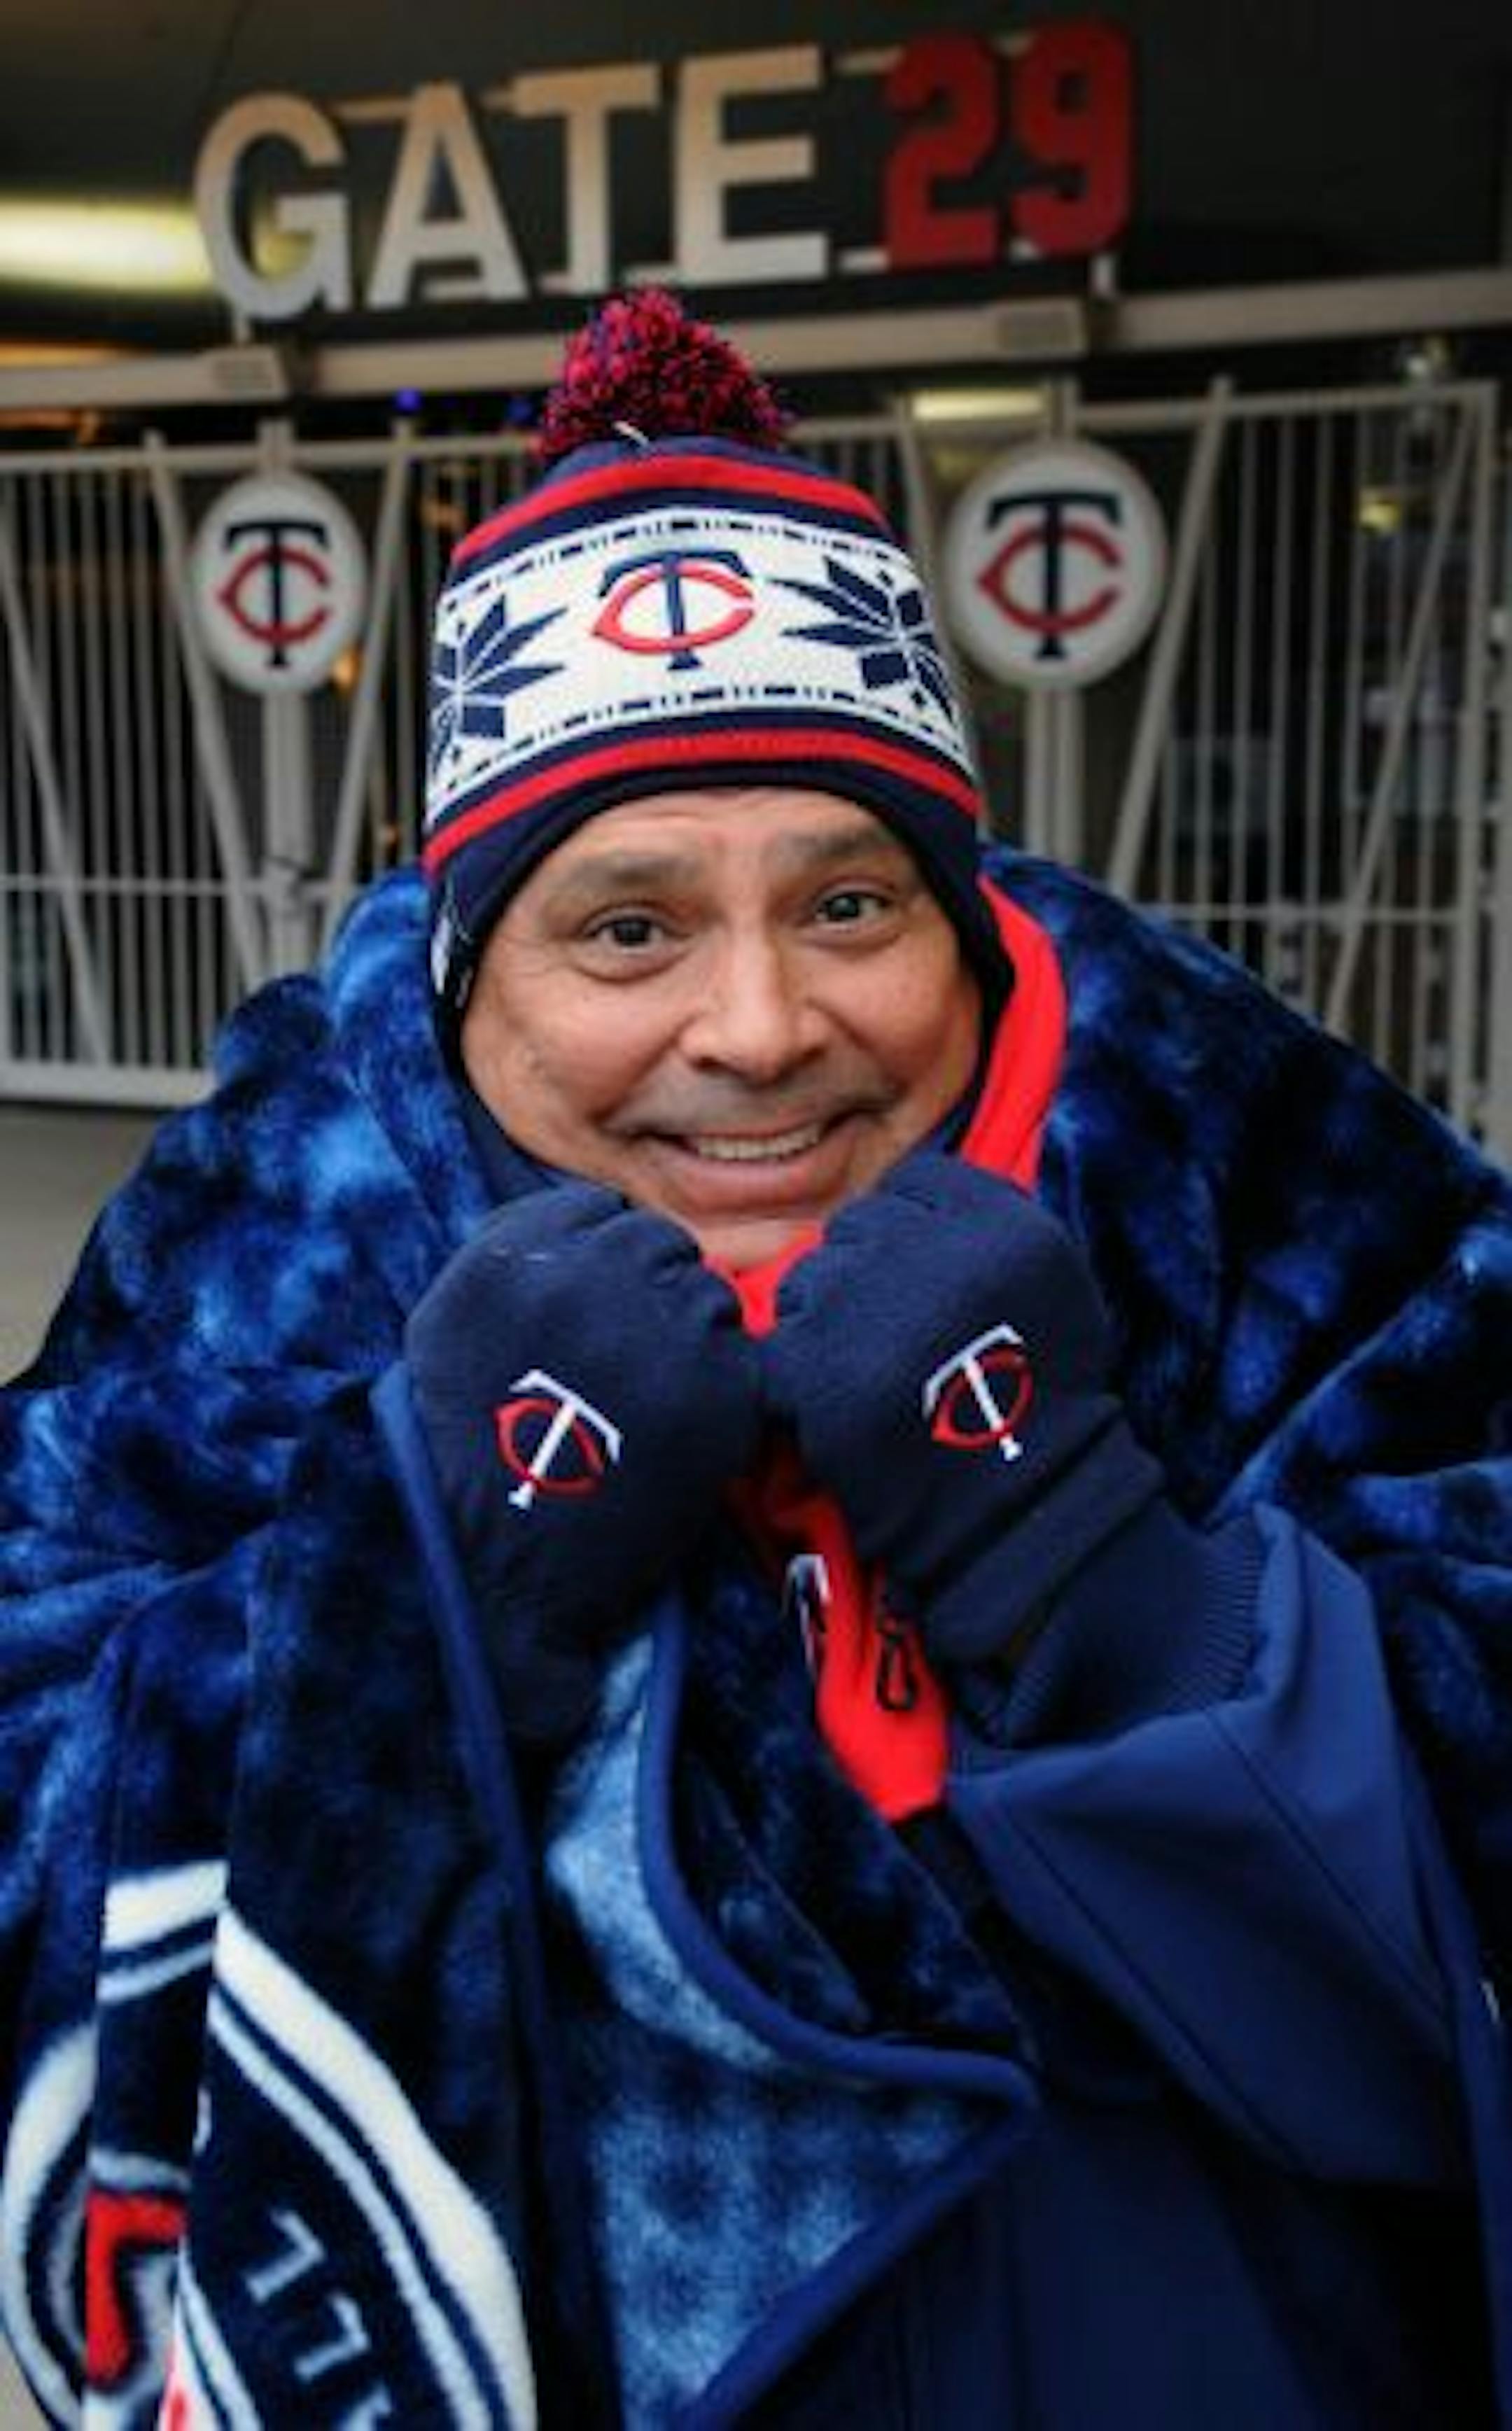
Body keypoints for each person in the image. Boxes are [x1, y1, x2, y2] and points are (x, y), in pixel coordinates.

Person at [0, 290, 1510, 2429]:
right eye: (625, 926)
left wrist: (1099, 1568)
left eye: (850, 905)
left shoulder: (1275, 1200)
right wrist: (422, 1580)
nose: (760, 1025)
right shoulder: (261, 1271)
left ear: (968, 932)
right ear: (466, 985)